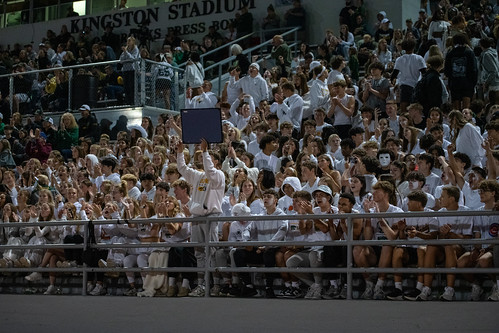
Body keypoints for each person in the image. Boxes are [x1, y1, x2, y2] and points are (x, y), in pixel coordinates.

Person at [175, 138, 225, 297]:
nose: (204, 160)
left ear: (216, 161)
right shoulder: (197, 176)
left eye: (210, 158)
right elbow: (182, 168)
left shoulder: (219, 175)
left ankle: (216, 285)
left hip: (211, 216)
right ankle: (202, 285)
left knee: (212, 252)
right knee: (199, 253)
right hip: (197, 216)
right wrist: (179, 152)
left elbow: (210, 171)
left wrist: (205, 151)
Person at [391, 39, 426, 113]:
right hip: (416, 86)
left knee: (404, 110)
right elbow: (424, 73)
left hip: (404, 87)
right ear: (414, 47)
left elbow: (394, 75)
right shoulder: (419, 58)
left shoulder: (399, 59)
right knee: (415, 109)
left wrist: (394, 83)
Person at [444, 33, 478, 110]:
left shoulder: (450, 53)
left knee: (456, 108)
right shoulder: (469, 52)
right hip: (467, 82)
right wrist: (474, 82)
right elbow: (474, 69)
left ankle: (457, 120)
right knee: (466, 107)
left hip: (454, 82)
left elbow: (447, 70)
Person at [119, 36, 139, 105]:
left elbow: (133, 59)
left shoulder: (135, 49)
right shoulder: (126, 49)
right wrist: (125, 53)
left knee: (131, 86)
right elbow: (121, 60)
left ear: (133, 42)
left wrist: (126, 53)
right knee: (126, 87)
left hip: (132, 70)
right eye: (127, 41)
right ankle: (127, 102)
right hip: (125, 70)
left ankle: (132, 102)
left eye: (129, 41)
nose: (128, 42)